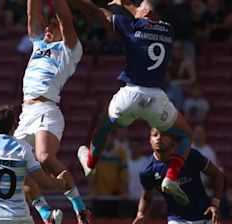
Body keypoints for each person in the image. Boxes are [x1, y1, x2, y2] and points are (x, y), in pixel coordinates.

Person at [70, 0, 193, 205]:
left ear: (146, 12)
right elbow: (143, 13)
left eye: (139, 6)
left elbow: (98, 13)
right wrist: (125, 2)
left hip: (131, 95)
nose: (135, 9)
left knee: (103, 124)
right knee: (186, 135)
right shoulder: (169, 30)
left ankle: (91, 162)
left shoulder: (132, 26)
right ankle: (171, 177)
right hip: (157, 99)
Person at [14, 0, 92, 224]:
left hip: (47, 109)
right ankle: (47, 217)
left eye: (53, 26)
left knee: (45, 158)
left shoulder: (70, 50)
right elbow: (32, 13)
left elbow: (65, 19)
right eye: (46, 26)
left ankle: (81, 210)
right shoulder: (38, 44)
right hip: (25, 113)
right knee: (16, 166)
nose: (48, 29)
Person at [132, 128, 224, 224]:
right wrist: (140, 214)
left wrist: (215, 203)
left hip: (206, 218)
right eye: (155, 135)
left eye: (164, 135)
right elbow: (147, 197)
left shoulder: (190, 155)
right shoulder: (148, 170)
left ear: (172, 139)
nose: (159, 138)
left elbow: (217, 174)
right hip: (178, 222)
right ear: (150, 140)